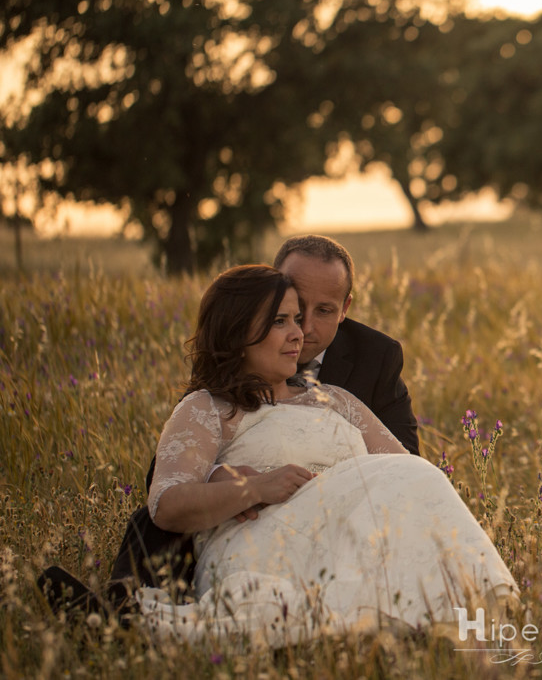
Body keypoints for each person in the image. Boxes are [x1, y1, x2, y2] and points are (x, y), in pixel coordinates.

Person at [37, 234, 421, 616]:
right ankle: (124, 606)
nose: (302, 326)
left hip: (345, 518)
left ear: (344, 308)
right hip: (248, 521)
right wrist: (227, 478)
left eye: (323, 310)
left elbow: (408, 468)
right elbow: (170, 471)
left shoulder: (375, 359)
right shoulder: (237, 357)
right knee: (154, 519)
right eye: (289, 309)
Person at [138, 264, 516, 645]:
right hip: (265, 543)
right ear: (237, 333)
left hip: (351, 536)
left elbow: (406, 474)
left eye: (297, 320)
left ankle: (460, 619)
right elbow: (165, 504)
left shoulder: (335, 400)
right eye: (280, 322)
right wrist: (252, 487)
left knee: (421, 476)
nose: (298, 334)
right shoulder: (209, 408)